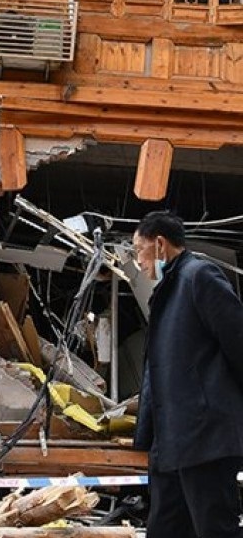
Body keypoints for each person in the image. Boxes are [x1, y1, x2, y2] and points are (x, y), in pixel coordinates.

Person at [133, 211, 243, 538]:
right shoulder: (168, 291)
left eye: (139, 249)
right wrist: (148, 435)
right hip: (172, 441)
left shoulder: (199, 277)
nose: (137, 260)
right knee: (164, 529)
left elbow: (238, 341)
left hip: (204, 436)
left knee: (214, 529)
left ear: (161, 245)